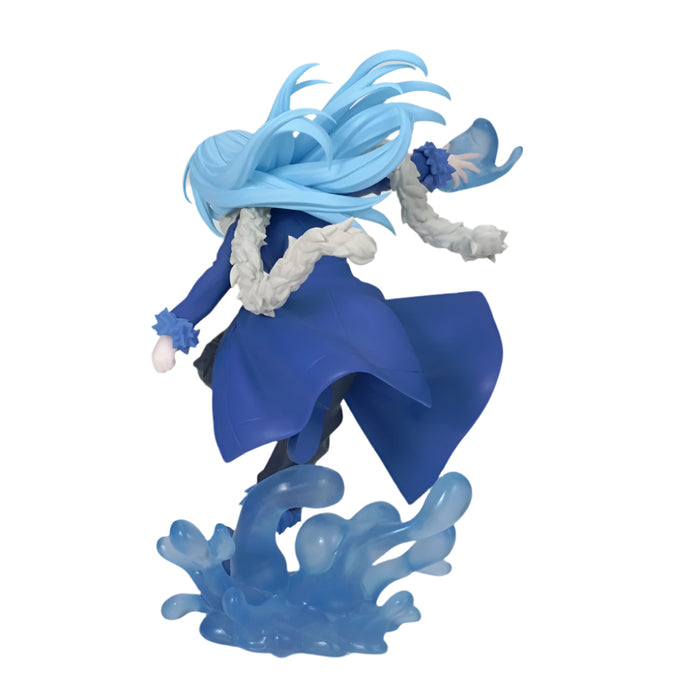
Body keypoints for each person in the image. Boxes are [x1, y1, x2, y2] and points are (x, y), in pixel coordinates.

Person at [151, 50, 521, 531]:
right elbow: (384, 173)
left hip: (312, 327)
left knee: (300, 400)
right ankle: (278, 496)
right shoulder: (281, 210)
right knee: (244, 376)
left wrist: (173, 332)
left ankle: (275, 501)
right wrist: (440, 163)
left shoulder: (284, 208)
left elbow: (215, 279)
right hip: (339, 324)